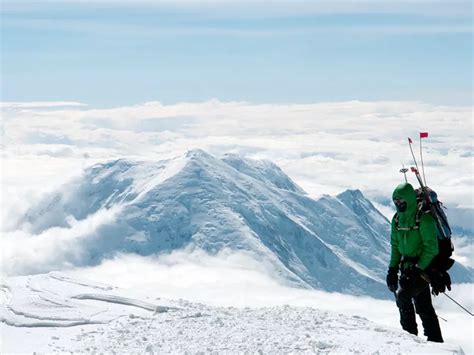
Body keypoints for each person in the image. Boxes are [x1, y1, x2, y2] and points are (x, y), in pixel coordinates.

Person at [385, 182, 444, 343]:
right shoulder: (397, 220)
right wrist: (392, 269)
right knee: (423, 305)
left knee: (403, 297)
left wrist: (418, 269)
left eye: (401, 201)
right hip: (408, 268)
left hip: (424, 268)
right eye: (395, 201)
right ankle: (435, 342)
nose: (398, 204)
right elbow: (395, 247)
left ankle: (409, 339)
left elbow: (432, 248)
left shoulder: (424, 219)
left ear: (409, 199)